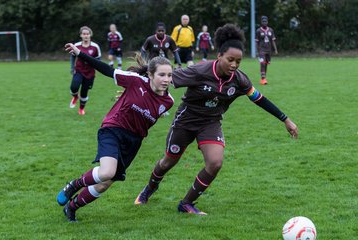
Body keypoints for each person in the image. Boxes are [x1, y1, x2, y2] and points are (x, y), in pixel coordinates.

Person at [134, 24, 298, 215]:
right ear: (219, 55)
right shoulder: (199, 71)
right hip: (185, 121)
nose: (234, 65)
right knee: (168, 162)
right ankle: (149, 189)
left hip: (210, 123)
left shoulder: (240, 80)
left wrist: (285, 119)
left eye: (238, 61)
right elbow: (164, 80)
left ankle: (186, 203)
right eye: (230, 60)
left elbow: (260, 100)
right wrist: (135, 89)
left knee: (215, 162)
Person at [57, 44, 174, 222]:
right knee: (106, 172)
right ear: (150, 75)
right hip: (113, 129)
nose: (166, 79)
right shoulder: (135, 81)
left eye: (169, 75)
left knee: (104, 184)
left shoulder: (168, 101)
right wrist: (80, 54)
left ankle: (71, 208)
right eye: (162, 74)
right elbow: (106, 69)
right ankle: (74, 185)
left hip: (133, 142)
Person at [69, 26, 101, 115]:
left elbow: (98, 60)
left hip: (90, 73)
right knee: (73, 88)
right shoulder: (77, 46)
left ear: (90, 35)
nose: (86, 35)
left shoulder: (95, 47)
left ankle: (81, 109)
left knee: (84, 92)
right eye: (84, 34)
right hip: (79, 70)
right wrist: (72, 68)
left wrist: (98, 70)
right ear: (81, 35)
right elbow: (72, 56)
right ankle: (75, 97)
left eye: (87, 34)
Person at [255, 16, 278, 85]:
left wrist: (275, 50)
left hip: (268, 50)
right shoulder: (258, 31)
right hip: (261, 50)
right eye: (263, 21)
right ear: (261, 22)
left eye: (265, 21)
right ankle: (263, 79)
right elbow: (256, 42)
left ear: (267, 22)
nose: (264, 23)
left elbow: (273, 41)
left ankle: (264, 77)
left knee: (266, 64)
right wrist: (257, 51)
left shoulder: (271, 30)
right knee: (262, 63)